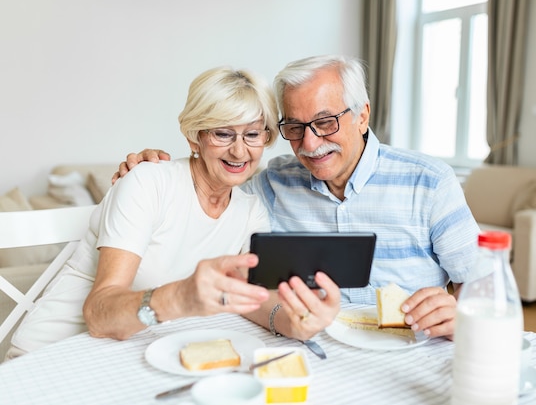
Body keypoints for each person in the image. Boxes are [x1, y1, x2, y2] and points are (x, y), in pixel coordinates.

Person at [114, 55, 486, 341]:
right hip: (310, 346)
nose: (309, 144)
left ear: (362, 116)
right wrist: (155, 170)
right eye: (294, 127)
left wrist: (463, 314)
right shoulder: (272, 183)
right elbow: (211, 185)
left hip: (410, 347)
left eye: (326, 123)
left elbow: (483, 289)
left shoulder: (430, 182)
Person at [6, 66, 317, 360]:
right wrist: (182, 296)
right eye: (223, 134)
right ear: (195, 136)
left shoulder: (251, 211)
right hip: (53, 355)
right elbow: (98, 316)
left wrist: (296, 321)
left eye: (252, 134)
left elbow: (252, 299)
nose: (239, 151)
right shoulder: (147, 182)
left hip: (133, 355)